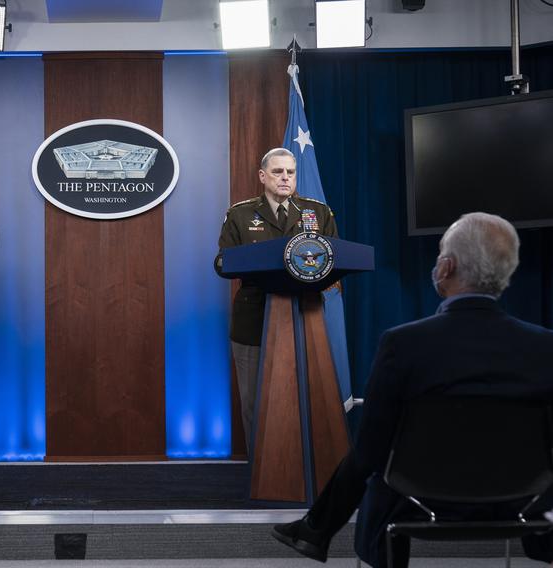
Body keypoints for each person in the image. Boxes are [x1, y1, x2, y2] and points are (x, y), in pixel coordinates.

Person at [271, 212, 553, 567]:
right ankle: (313, 529)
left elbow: (371, 449)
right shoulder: (545, 347)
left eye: (438, 255)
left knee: (374, 463)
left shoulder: (404, 344)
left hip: (420, 499)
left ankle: (315, 530)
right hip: (524, 500)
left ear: (447, 267)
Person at [214, 147, 337, 451]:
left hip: (304, 314)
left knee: (307, 396)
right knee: (256, 401)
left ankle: (306, 467)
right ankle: (261, 473)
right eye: (278, 172)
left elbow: (335, 257)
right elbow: (222, 262)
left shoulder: (317, 212)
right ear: (262, 176)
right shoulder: (240, 214)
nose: (285, 178)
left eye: (290, 172)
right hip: (254, 317)